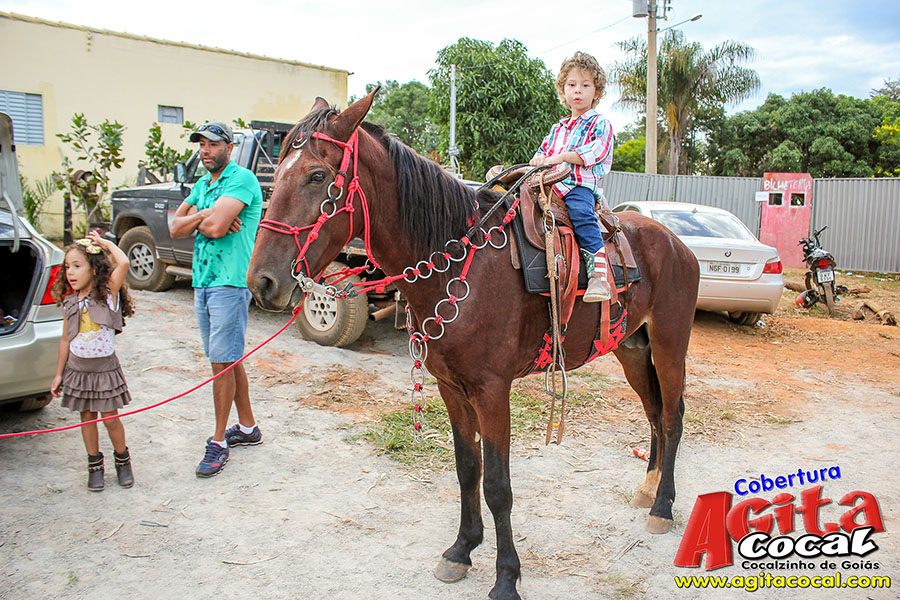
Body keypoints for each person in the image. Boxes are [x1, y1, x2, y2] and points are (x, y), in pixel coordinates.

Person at [170, 121, 264, 478]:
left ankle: (219, 441)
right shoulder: (203, 184)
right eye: (201, 145)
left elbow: (211, 229)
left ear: (228, 146)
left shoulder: (241, 179)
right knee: (227, 356)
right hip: (203, 280)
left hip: (230, 282)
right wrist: (208, 213)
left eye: (212, 144)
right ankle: (247, 427)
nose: (205, 150)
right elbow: (174, 228)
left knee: (220, 361)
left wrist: (205, 220)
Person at [51, 231, 135, 491]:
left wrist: (105, 244)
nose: (70, 273)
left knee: (110, 419)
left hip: (104, 370)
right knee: (87, 419)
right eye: (67, 267)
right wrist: (58, 374)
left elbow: (123, 263)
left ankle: (123, 461)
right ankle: (94, 466)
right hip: (78, 370)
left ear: (95, 269)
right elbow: (65, 340)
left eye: (77, 266)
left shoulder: (108, 294)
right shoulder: (69, 302)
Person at [530, 51, 615, 302]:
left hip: (578, 186)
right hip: (550, 185)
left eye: (585, 85)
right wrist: (538, 160)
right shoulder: (558, 127)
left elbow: (595, 152)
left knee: (581, 214)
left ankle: (599, 277)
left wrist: (562, 157)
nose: (578, 90)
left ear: (596, 92)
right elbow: (543, 151)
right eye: (572, 85)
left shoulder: (600, 123)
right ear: (563, 91)